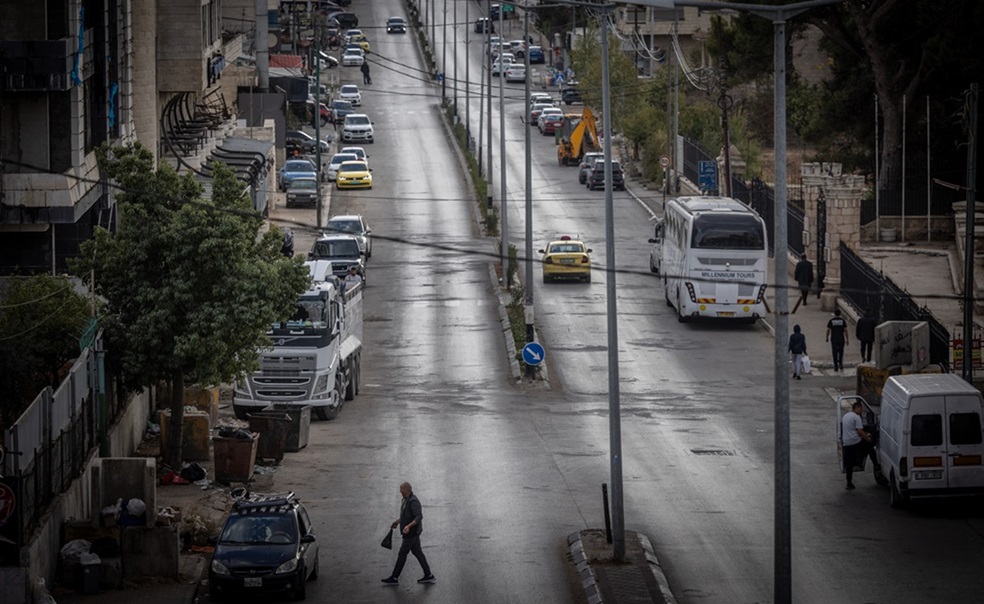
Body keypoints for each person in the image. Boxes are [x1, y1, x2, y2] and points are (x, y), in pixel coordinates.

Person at [382, 482, 435, 585]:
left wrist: (408, 526)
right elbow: (406, 516)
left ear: (407, 490)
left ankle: (394, 577)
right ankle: (428, 575)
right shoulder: (406, 500)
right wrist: (397, 522)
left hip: (411, 533)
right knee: (418, 553)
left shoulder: (413, 501)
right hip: (412, 533)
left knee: (402, 554)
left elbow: (419, 517)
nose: (400, 492)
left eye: (401, 490)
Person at [841, 401, 880, 490]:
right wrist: (868, 438)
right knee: (869, 447)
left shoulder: (846, 416)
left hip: (846, 443)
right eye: (861, 409)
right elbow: (860, 431)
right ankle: (876, 464)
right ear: (857, 408)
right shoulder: (856, 417)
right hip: (855, 442)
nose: (861, 411)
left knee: (849, 464)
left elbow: (851, 430)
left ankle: (849, 482)